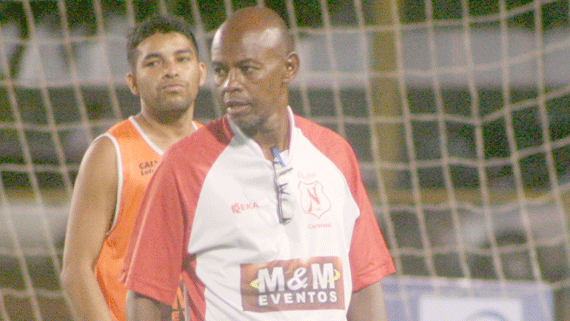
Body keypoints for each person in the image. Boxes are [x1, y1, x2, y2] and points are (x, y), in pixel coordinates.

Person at [123, 6, 395, 321]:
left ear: (289, 67)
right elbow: (146, 294)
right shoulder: (184, 166)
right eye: (221, 70)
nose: (229, 84)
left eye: (247, 69)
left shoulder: (335, 155)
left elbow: (362, 286)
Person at [60, 14, 207, 321]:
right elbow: (76, 271)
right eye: (154, 63)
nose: (171, 71)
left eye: (182, 59)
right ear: (133, 82)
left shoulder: (218, 151)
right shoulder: (110, 153)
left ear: (201, 73)